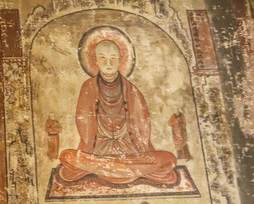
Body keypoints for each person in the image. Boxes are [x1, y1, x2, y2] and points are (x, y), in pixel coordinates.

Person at [59, 27, 177, 185]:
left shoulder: (132, 91)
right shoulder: (88, 87)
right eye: (102, 58)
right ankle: (121, 168)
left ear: (121, 60)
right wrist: (95, 145)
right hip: (97, 149)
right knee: (67, 156)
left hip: (129, 149)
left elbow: (142, 128)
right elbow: (84, 124)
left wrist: (134, 145)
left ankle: (109, 168)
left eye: (113, 58)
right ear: (95, 60)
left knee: (168, 158)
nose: (108, 63)